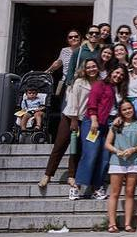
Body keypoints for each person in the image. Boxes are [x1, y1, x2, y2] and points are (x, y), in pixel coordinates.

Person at [39, 59, 100, 197]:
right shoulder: (79, 82)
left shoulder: (98, 83)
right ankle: (48, 174)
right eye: (89, 67)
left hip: (85, 120)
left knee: (76, 149)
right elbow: (73, 101)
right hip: (70, 118)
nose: (91, 69)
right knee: (60, 145)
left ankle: (72, 175)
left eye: (94, 66)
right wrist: (73, 120)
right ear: (85, 69)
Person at [74, 65, 128, 200]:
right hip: (94, 122)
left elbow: (119, 107)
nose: (118, 76)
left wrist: (120, 117)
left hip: (110, 125)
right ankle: (76, 186)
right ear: (111, 71)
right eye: (117, 72)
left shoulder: (120, 89)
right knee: (90, 154)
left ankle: (97, 187)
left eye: (122, 75)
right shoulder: (100, 84)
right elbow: (92, 103)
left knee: (104, 157)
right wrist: (93, 120)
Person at [104, 99, 137, 233]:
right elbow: (107, 144)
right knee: (114, 192)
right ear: (120, 111)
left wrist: (134, 149)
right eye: (124, 109)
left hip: (133, 161)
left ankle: (128, 224)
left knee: (130, 192)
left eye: (129, 108)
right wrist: (117, 151)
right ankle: (112, 223)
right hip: (117, 161)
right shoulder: (115, 125)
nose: (128, 111)